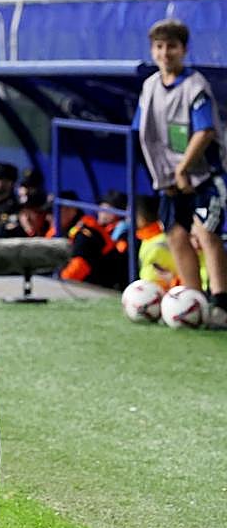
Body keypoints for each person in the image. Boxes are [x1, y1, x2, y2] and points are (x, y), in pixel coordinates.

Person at [135, 18, 227, 327]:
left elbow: (205, 132)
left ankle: (221, 303)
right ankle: (193, 299)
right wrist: (164, 177)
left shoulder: (195, 86)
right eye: (159, 47)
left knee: (206, 231)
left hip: (205, 175)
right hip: (170, 179)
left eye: (172, 47)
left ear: (184, 50)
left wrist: (183, 169)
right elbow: (144, 133)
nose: (165, 53)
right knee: (175, 233)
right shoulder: (150, 87)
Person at [58, 191, 128, 289]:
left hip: (109, 287)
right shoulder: (76, 228)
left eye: (107, 209)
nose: (102, 213)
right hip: (97, 284)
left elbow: (79, 267)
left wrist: (57, 283)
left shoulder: (86, 232)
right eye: (101, 208)